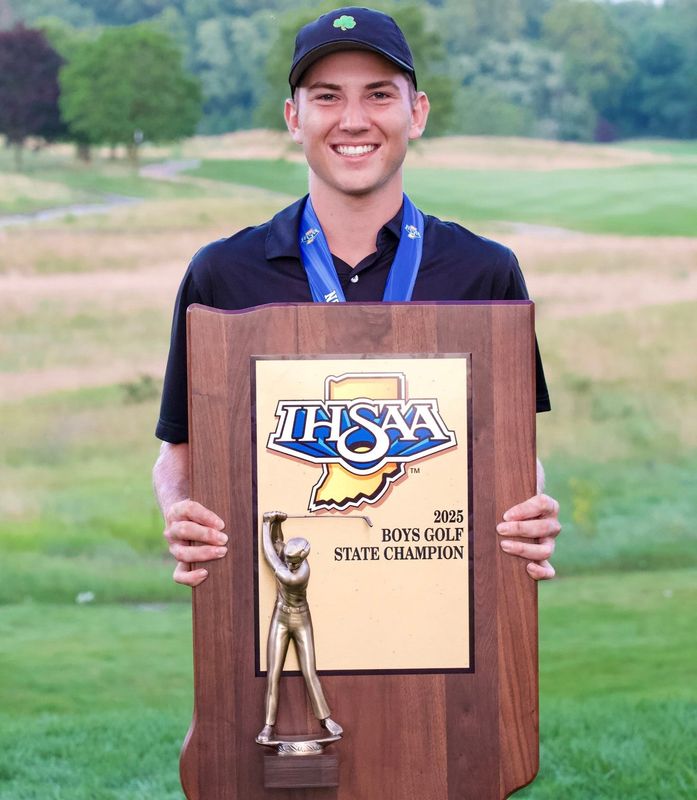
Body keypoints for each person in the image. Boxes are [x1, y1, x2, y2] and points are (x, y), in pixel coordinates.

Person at [153, 6, 562, 587]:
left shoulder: (485, 274)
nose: (352, 120)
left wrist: (530, 509)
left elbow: (513, 453)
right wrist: (180, 511)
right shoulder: (222, 275)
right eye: (326, 97)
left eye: (377, 95)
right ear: (294, 117)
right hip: (270, 606)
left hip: (440, 618)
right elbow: (181, 454)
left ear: (415, 113)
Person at [256, 511, 342, 744]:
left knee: (309, 672)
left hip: (301, 620)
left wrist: (266, 524)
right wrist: (277, 524)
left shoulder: (297, 575)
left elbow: (270, 555)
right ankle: (268, 726)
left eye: (293, 562)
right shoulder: (290, 559)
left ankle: (325, 720)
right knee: (273, 675)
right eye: (289, 560)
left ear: (301, 560)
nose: (290, 564)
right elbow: (277, 545)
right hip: (281, 619)